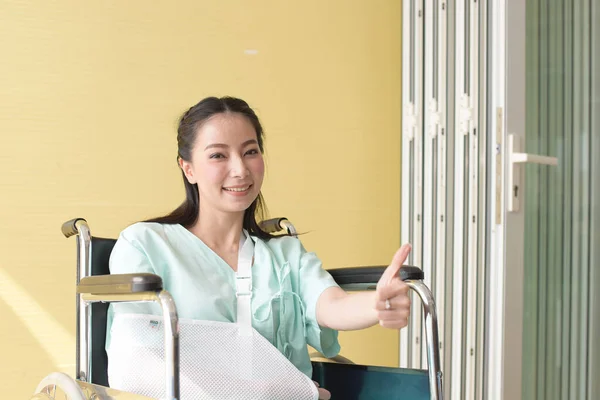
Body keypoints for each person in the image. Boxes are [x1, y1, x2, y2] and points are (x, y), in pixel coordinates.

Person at [106, 96, 412, 399]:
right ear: (188, 169)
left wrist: (377, 303)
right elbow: (139, 361)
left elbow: (332, 305)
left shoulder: (285, 255)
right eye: (218, 155)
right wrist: (282, 394)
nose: (240, 169)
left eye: (250, 151)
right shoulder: (146, 245)